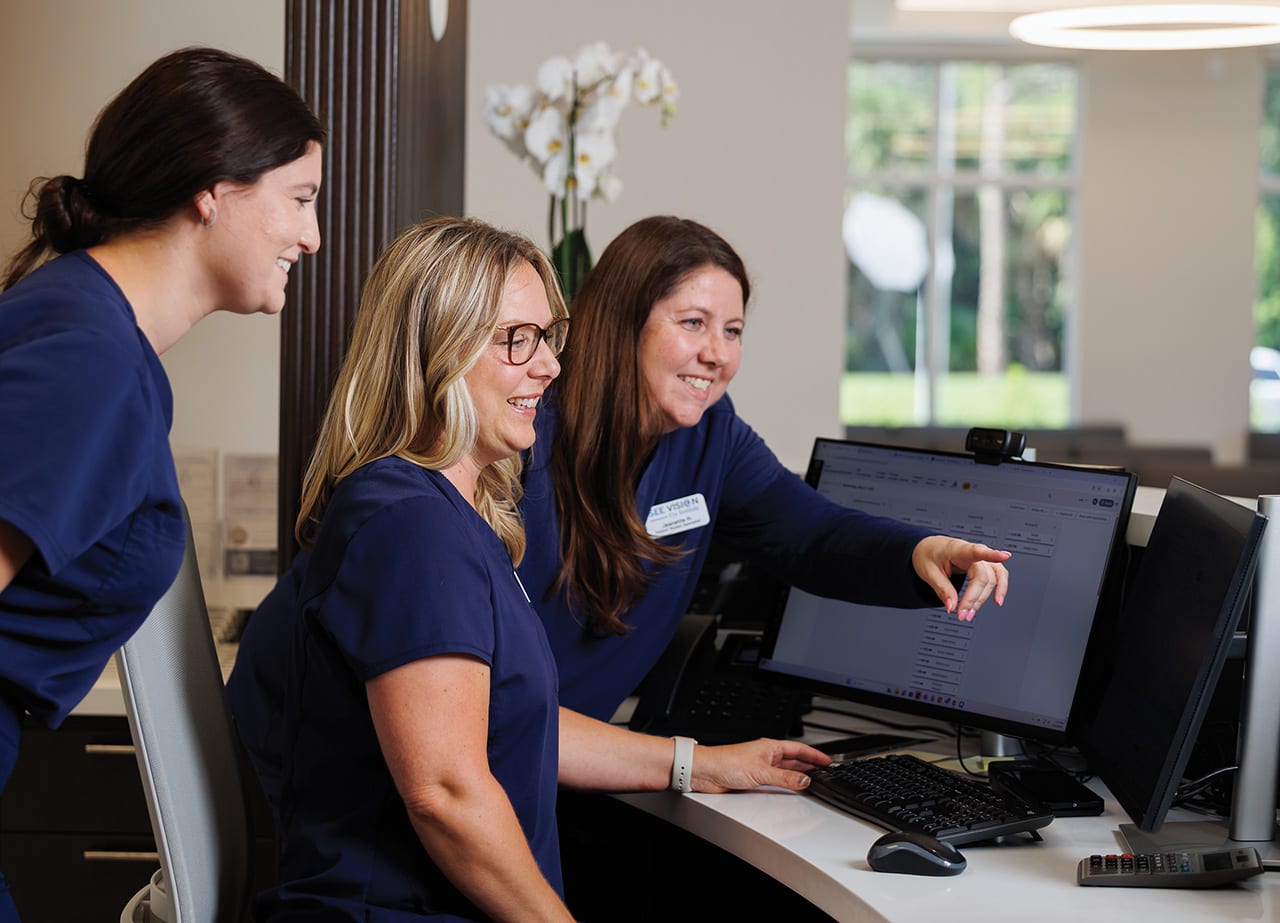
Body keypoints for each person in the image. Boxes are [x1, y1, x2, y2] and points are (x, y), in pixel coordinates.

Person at [227, 216, 831, 922]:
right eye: (519, 340)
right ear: (440, 350)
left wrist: (701, 763)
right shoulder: (410, 527)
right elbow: (447, 793)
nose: (548, 365)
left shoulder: (457, 513)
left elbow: (512, 721)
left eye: (549, 338)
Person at [0, 46, 323, 921]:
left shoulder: (88, 325)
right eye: (299, 199)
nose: (312, 235)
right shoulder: (93, 356)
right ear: (213, 188)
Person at [517, 215, 1012, 723]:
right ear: (623, 321)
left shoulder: (714, 437)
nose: (718, 355)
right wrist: (689, 763)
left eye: (733, 331)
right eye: (693, 323)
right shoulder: (523, 434)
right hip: (489, 762)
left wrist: (920, 550)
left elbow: (814, 535)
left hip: (571, 766)